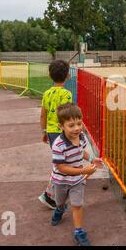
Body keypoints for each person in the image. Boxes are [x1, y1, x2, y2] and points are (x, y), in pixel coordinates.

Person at [50, 103, 103, 246]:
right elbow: (61, 168)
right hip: (61, 180)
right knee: (60, 201)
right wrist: (84, 171)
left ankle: (79, 231)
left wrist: (91, 159)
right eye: (71, 125)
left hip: (77, 180)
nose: (77, 128)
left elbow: (81, 152)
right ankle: (60, 209)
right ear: (61, 126)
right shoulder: (58, 145)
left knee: (77, 205)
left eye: (79, 123)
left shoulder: (82, 137)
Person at [38, 59, 73, 209]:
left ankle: (59, 190)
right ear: (67, 76)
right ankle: (49, 194)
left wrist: (44, 131)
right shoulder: (66, 94)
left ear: (50, 76)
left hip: (51, 132)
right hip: (63, 132)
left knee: (60, 161)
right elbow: (68, 115)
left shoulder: (46, 93)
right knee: (62, 163)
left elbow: (42, 115)